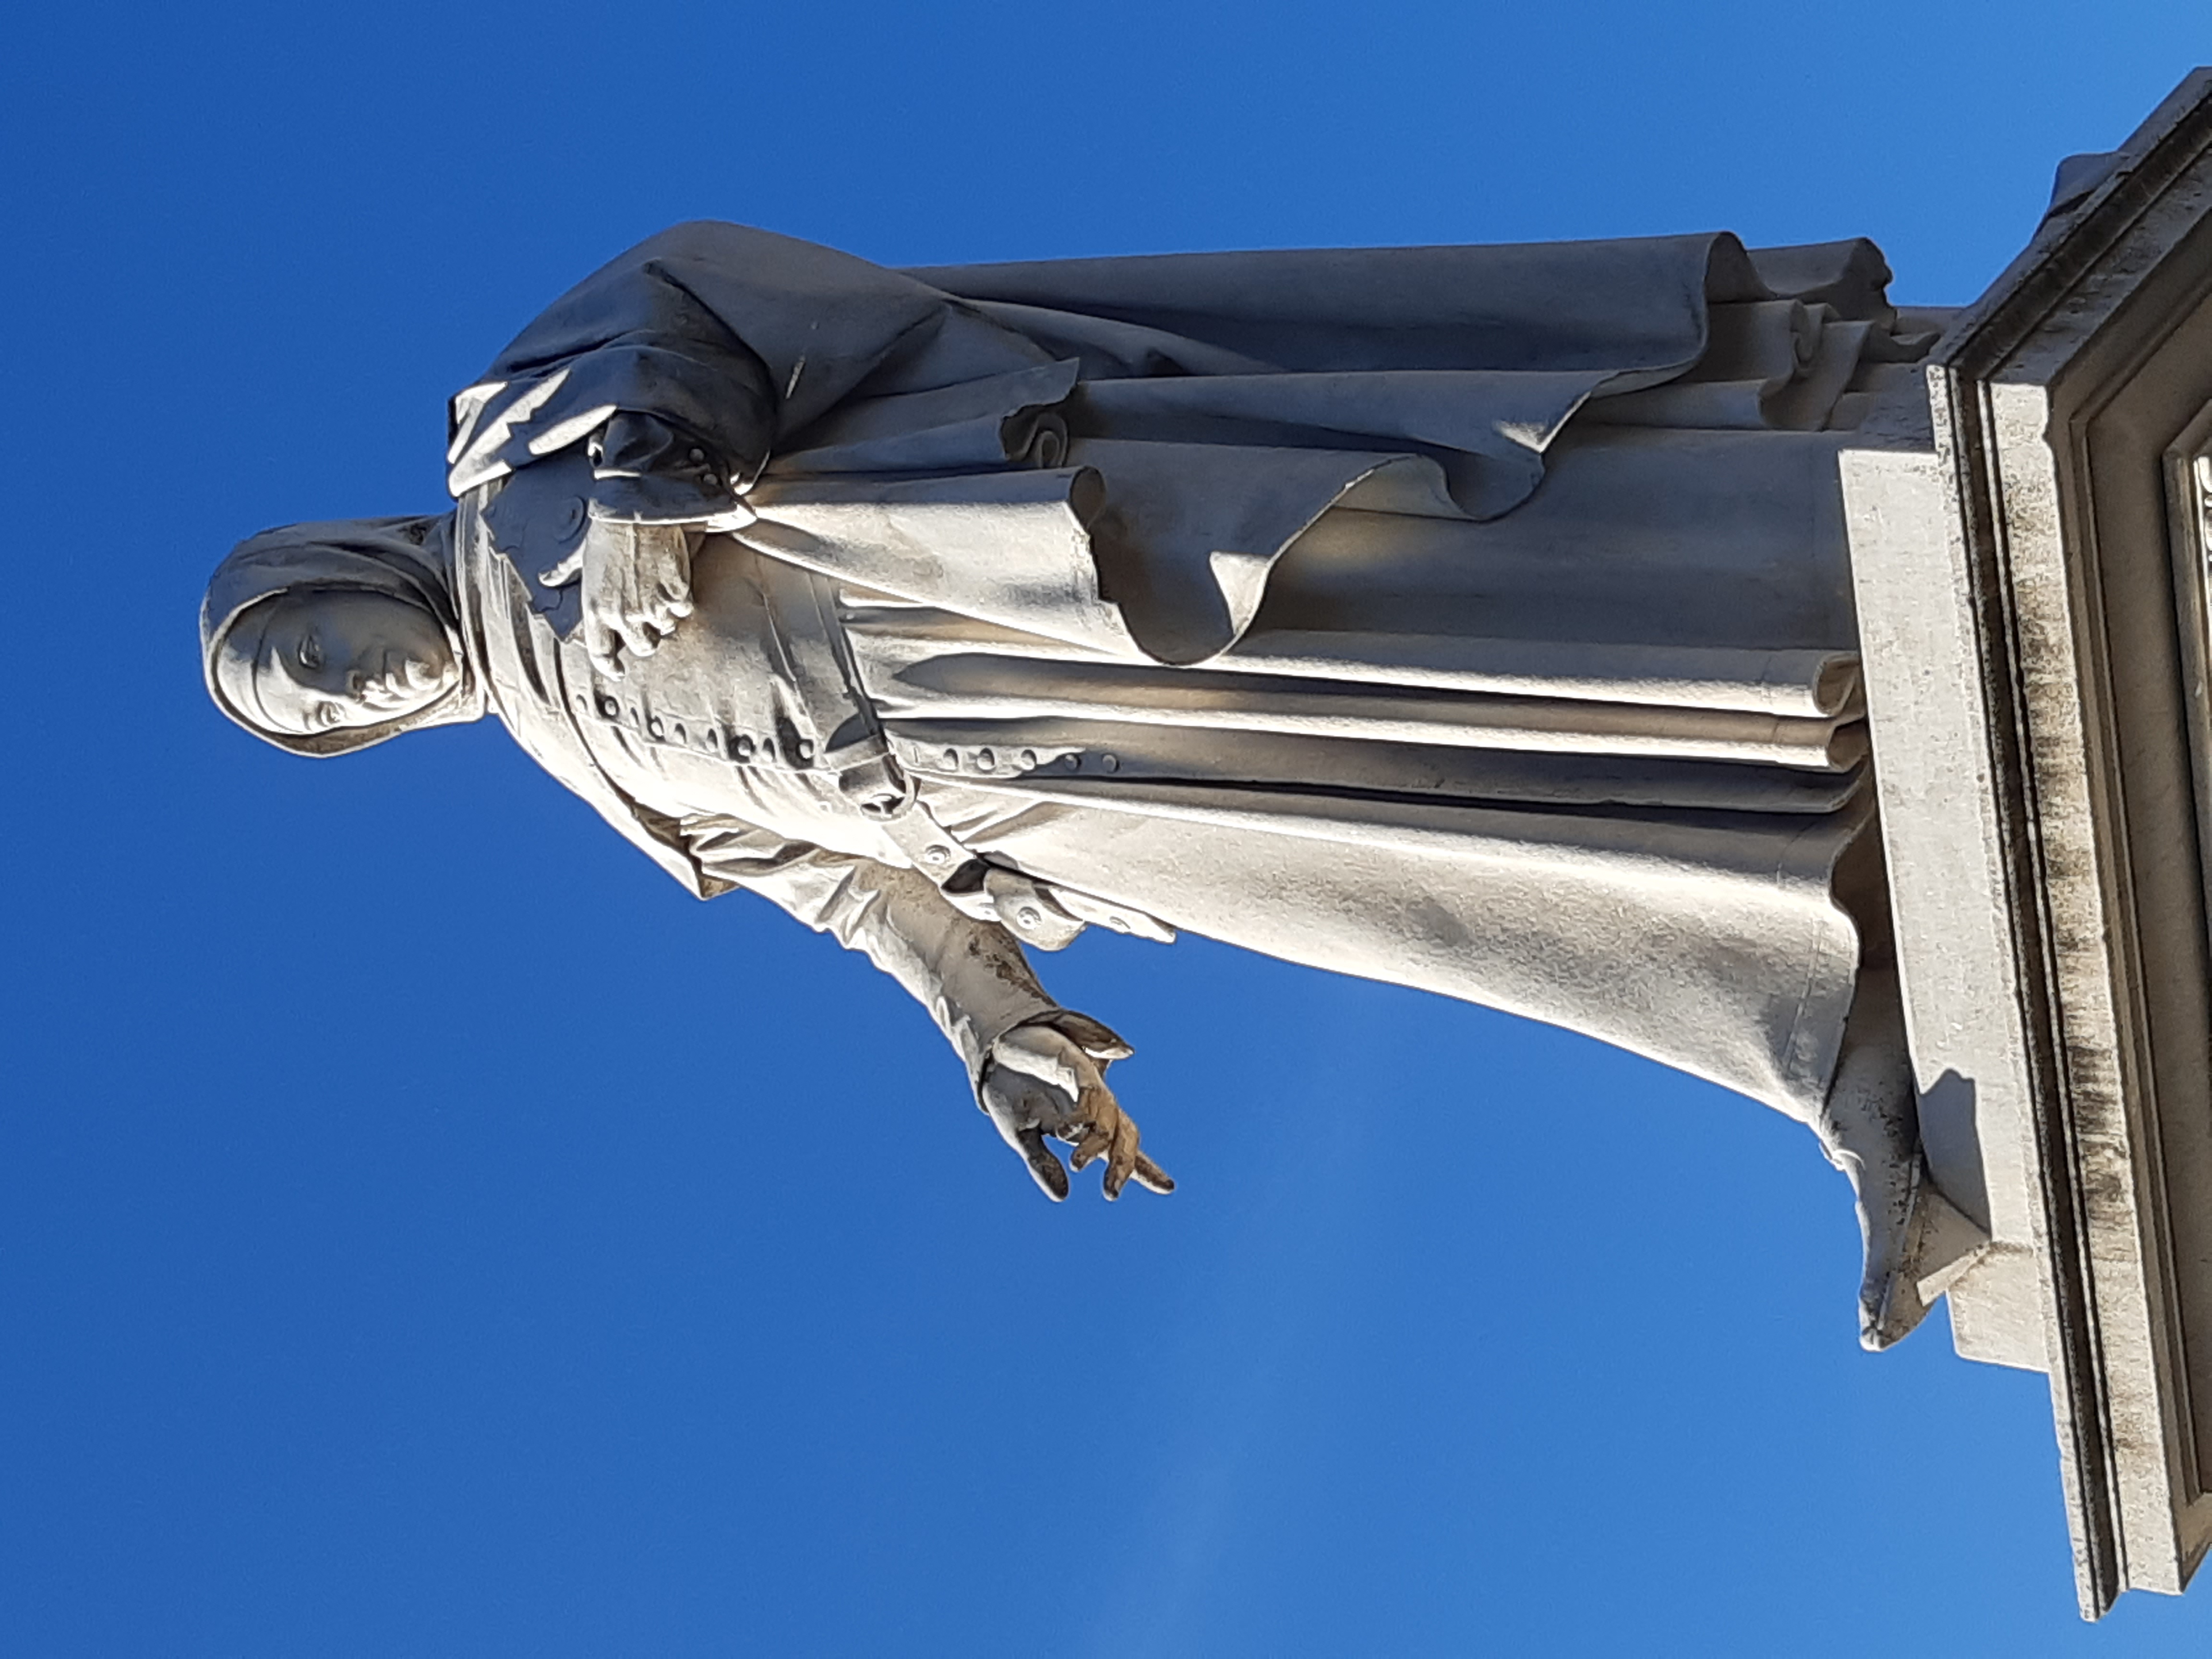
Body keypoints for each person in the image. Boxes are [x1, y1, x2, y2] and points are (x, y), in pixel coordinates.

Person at [202, 220, 1973, 1346]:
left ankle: (1883, 543)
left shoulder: (508, 443)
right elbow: (838, 886)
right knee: (1441, 868)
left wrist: (650, 473)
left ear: (340, 560)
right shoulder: (581, 765)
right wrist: (996, 1027)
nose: (363, 674)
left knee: (1460, 603)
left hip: (1028, 587)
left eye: (322, 641)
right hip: (1054, 795)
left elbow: (684, 293)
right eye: (333, 703)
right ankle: (1853, 1014)